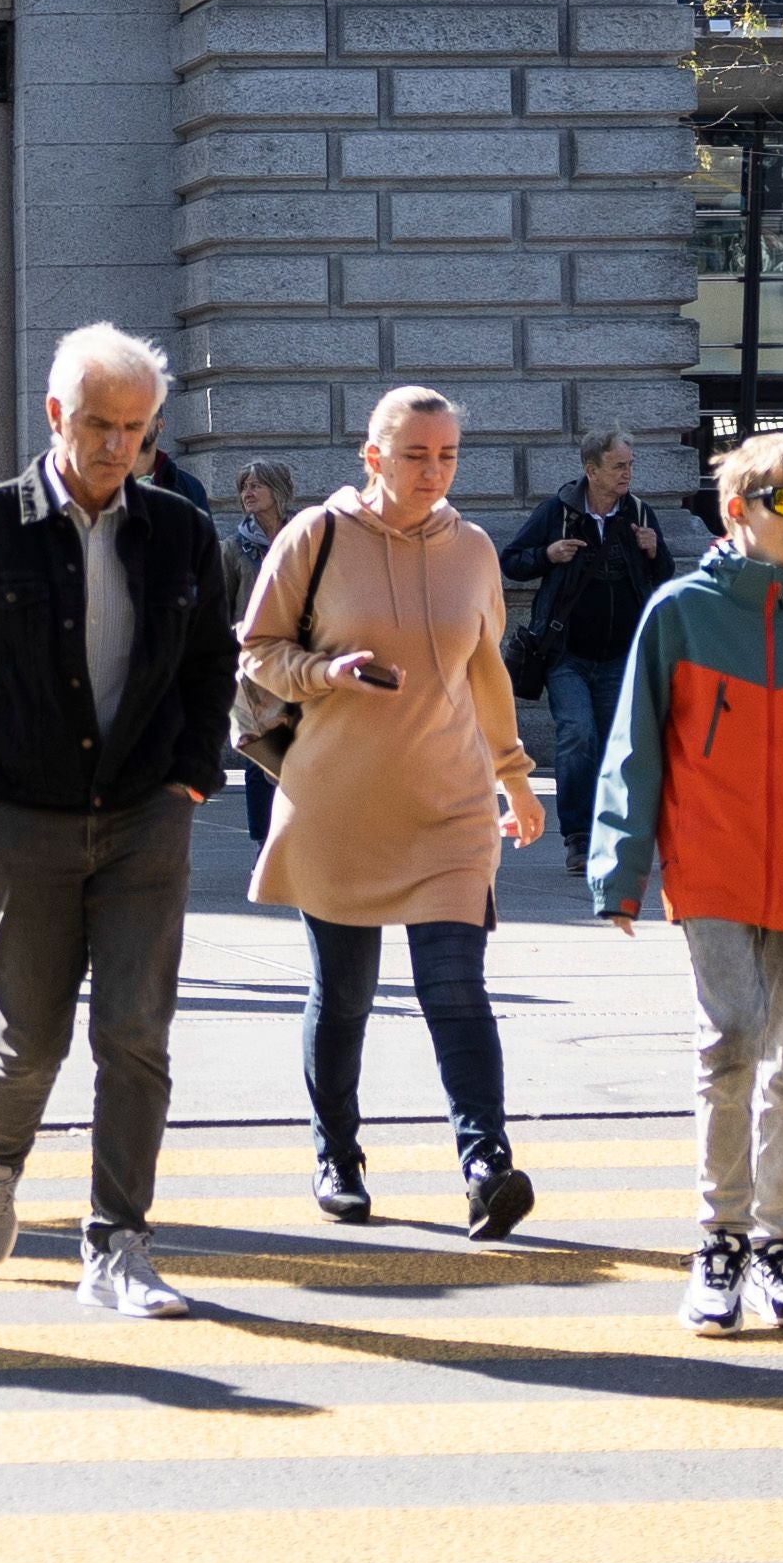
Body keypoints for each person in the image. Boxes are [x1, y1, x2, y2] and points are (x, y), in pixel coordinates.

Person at [0, 321, 233, 1321]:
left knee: (134, 1030)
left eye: (134, 428)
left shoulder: (177, 528)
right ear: (55, 414)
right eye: (98, 423)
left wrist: (189, 776)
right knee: (31, 1036)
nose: (114, 446)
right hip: (25, 817)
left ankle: (117, 1242)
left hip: (145, 811)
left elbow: (207, 663)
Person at [584, 427, 783, 1335]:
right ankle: (719, 1241)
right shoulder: (680, 612)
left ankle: (776, 1244)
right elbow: (635, 744)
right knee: (730, 1041)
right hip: (713, 863)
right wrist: (618, 865)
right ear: (739, 511)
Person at [245, 380, 544, 1243]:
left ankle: (486, 1164)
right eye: (415, 455)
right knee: (344, 998)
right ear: (373, 456)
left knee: (456, 987)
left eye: (447, 455)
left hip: (450, 808)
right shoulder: (318, 535)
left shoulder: (475, 549)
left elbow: (485, 673)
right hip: (339, 802)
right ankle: (337, 1154)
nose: (433, 471)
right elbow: (259, 650)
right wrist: (323, 675)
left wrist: (515, 777)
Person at [494, 433, 679, 917]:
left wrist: (654, 549)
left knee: (616, 748)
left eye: (630, 465)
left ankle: (611, 837)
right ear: (591, 470)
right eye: (617, 466)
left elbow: (665, 574)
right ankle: (578, 836)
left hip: (621, 655)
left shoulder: (638, 514)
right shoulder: (558, 511)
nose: (626, 474)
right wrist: (547, 555)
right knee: (578, 733)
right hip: (566, 654)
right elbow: (510, 561)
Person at [225, 463, 304, 865]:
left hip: (303, 663)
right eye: (245, 486)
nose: (249, 492)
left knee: (302, 752)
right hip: (255, 668)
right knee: (261, 755)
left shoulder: (304, 538)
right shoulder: (234, 549)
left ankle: (300, 836)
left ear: (278, 489)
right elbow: (220, 607)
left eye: (257, 485)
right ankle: (264, 844)